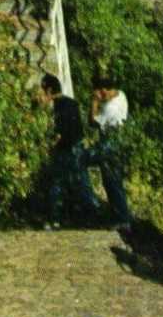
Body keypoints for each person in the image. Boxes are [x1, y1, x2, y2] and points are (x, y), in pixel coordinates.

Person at [76, 75, 132, 231]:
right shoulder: (121, 95)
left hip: (109, 145)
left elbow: (92, 122)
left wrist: (94, 102)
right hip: (118, 143)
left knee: (80, 159)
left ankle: (92, 203)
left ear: (104, 90)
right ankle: (121, 218)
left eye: (100, 92)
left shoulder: (110, 108)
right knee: (113, 181)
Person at [40, 74, 85, 229]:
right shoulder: (72, 103)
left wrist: (48, 148)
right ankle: (84, 218)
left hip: (64, 148)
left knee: (56, 183)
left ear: (49, 90)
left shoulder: (57, 106)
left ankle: (55, 219)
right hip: (78, 147)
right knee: (79, 184)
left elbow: (58, 133)